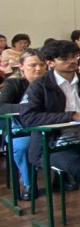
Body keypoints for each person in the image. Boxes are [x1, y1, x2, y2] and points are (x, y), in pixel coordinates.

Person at [19, 41, 80, 207]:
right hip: (53, 144)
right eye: (64, 58)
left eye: (74, 56)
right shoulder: (40, 86)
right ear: (50, 62)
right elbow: (29, 118)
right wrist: (71, 116)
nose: (72, 61)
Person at [0, 49, 46, 200]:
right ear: (21, 66)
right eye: (33, 65)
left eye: (41, 64)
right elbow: (1, 106)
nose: (38, 69)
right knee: (23, 146)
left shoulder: (50, 82)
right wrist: (27, 108)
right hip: (19, 128)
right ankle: (29, 183)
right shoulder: (13, 83)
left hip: (45, 125)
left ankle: (61, 179)